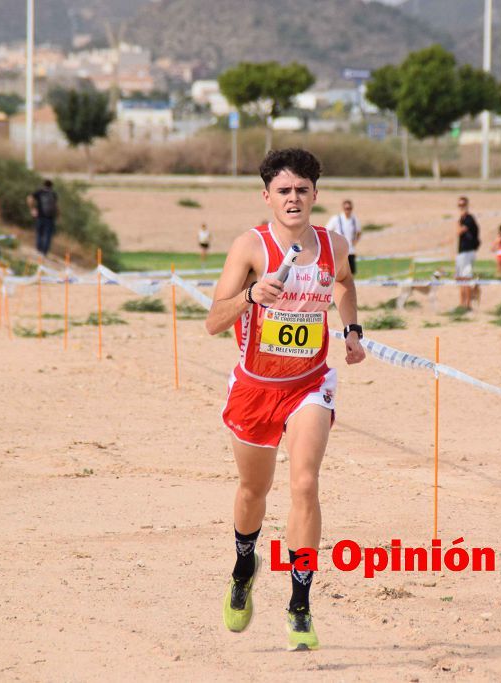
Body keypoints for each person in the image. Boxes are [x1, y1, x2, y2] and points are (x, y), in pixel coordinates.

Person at [205, 148, 366, 651]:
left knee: (304, 485)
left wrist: (352, 330)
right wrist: (251, 297)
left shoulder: (333, 244)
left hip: (308, 385)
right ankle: (242, 566)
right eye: (284, 191)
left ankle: (300, 604)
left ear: (315, 195)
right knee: (255, 491)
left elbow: (344, 283)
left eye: (302, 190)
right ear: (267, 196)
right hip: (256, 388)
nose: (293, 198)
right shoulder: (250, 248)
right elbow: (213, 321)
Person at [455, 196, 481, 309]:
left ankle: (468, 304)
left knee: (466, 278)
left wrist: (457, 222)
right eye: (459, 205)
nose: (461, 208)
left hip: (467, 252)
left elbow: (459, 231)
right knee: (460, 278)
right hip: (462, 252)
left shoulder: (468, 219)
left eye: (463, 205)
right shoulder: (463, 219)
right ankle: (462, 303)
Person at [325, 199, 361, 276]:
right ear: (343, 208)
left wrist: (355, 241)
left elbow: (359, 232)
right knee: (338, 273)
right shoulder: (336, 219)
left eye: (349, 208)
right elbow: (327, 231)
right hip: (339, 251)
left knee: (351, 273)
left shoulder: (355, 219)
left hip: (350, 250)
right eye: (346, 208)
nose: (348, 211)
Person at [27, 179, 58, 256]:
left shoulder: (39, 192)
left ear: (44, 185)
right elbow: (56, 206)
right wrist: (58, 216)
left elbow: (29, 198)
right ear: (51, 186)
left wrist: (32, 209)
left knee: (39, 233)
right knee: (47, 235)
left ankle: (38, 250)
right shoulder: (53, 194)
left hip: (40, 216)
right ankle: (44, 252)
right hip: (50, 217)